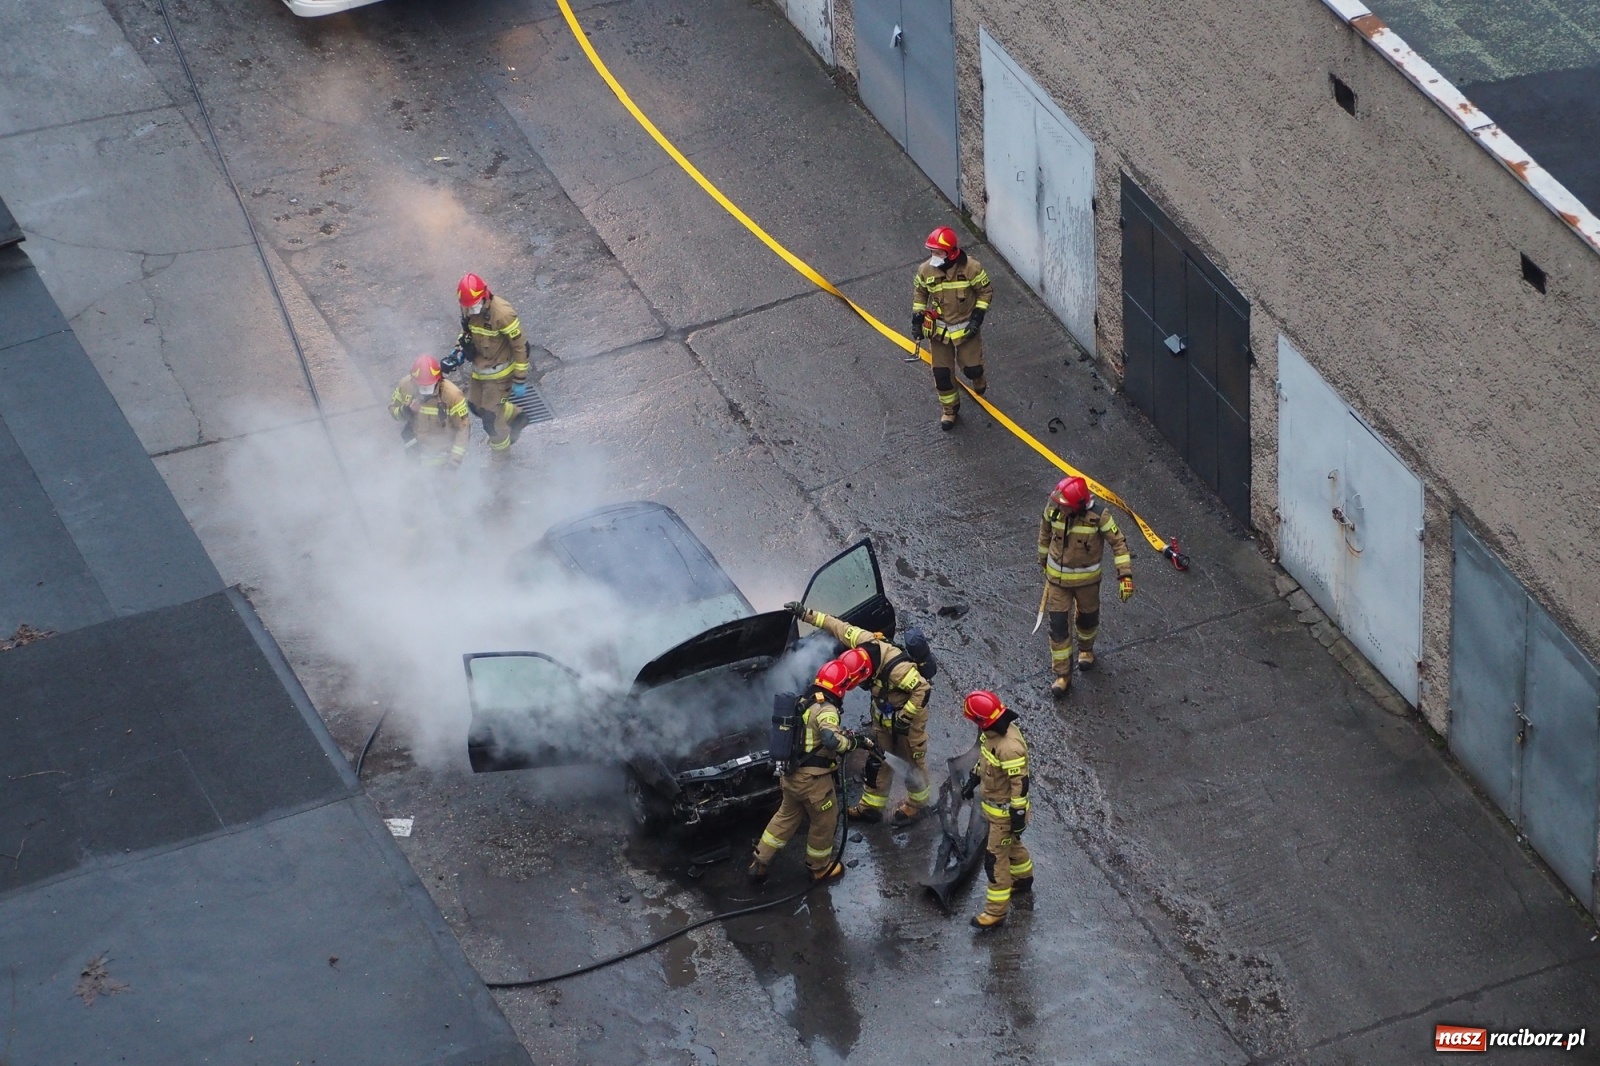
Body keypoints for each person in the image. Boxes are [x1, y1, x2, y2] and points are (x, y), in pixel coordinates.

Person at [786, 604, 935, 825]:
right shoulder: (861, 640)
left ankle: (917, 804)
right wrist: (805, 614)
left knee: (911, 760)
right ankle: (871, 807)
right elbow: (835, 625)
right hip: (883, 716)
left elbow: (923, 690)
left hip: (909, 721)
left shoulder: (898, 671)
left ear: (866, 672)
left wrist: (905, 717)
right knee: (879, 758)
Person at [748, 658, 876, 883]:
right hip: (813, 782)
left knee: (785, 817)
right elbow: (829, 739)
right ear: (840, 687)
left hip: (791, 776)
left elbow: (811, 735)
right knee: (825, 820)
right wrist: (851, 743)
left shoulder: (804, 701)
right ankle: (818, 867)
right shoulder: (827, 709)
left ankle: (760, 862)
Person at [1038, 475, 1133, 696]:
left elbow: (1119, 544)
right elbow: (1044, 535)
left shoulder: (1099, 517)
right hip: (1057, 583)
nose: (1061, 508)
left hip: (1087, 583)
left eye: (1065, 505)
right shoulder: (1053, 509)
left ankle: (1086, 651)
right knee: (1058, 627)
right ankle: (1062, 675)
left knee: (1087, 620)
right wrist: (1043, 562)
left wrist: (1125, 576)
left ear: (1078, 506)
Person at [960, 690, 1032, 930]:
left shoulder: (1009, 747)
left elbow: (1020, 784)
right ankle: (1022, 879)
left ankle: (995, 912)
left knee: (995, 859)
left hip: (1005, 814)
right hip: (996, 810)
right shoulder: (991, 733)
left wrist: (1017, 815)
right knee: (1012, 845)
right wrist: (973, 779)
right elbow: (986, 760)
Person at [912, 226, 993, 430]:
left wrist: (977, 318)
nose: (934, 256)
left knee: (972, 369)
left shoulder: (971, 268)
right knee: (942, 376)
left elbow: (985, 292)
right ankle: (950, 410)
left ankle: (978, 377)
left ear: (951, 252)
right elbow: (920, 294)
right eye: (932, 252)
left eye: (938, 252)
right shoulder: (925, 270)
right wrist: (917, 321)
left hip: (966, 330)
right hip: (939, 332)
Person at [454, 272, 529, 458]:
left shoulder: (502, 314)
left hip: (500, 376)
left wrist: (519, 379)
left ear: (485, 296)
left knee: (491, 421)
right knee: (474, 406)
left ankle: (501, 461)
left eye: (474, 305)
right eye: (468, 306)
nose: (471, 310)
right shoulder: (470, 309)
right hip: (480, 371)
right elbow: (466, 333)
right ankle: (515, 416)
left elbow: (520, 346)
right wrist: (458, 351)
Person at [388, 354, 469, 470]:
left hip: (443, 459)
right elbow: (393, 411)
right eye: (421, 386)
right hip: (415, 457)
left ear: (439, 380)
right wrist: (406, 410)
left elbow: (463, 429)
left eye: (429, 386)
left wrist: (454, 463)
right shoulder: (405, 385)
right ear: (413, 380)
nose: (425, 390)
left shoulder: (452, 395)